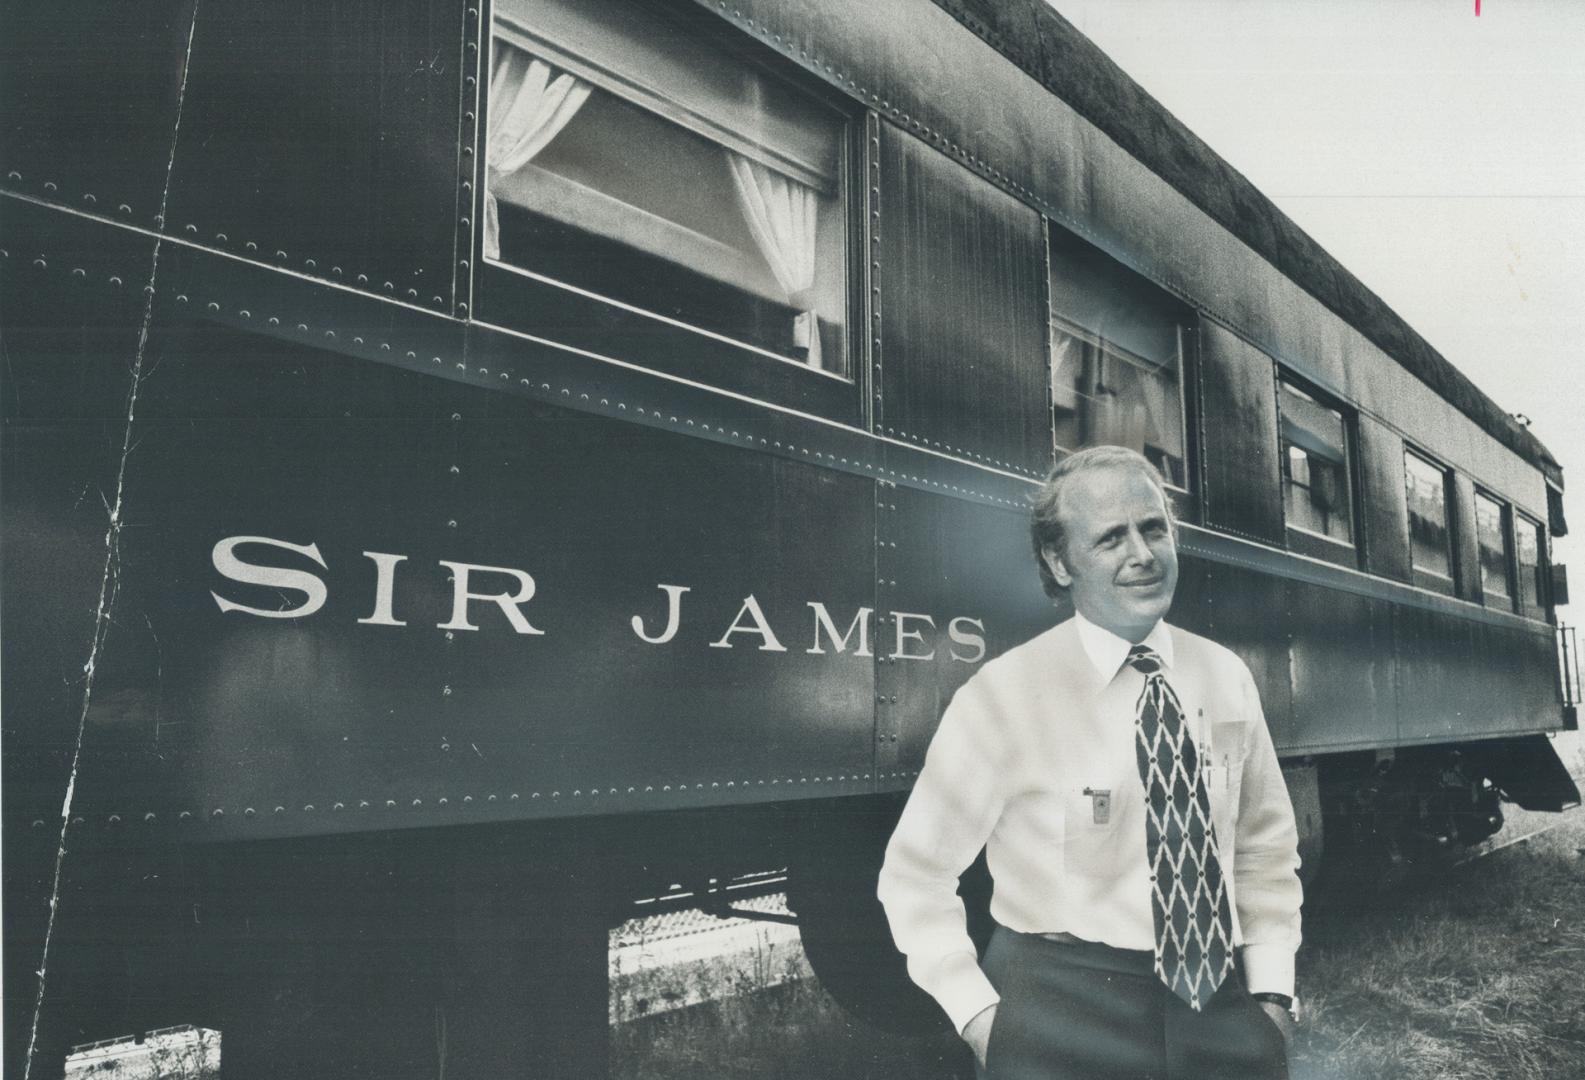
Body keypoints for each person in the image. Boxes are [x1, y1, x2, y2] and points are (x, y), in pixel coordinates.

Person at [877, 445, 1302, 1079]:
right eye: (1110, 539)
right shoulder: (1003, 696)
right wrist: (982, 1021)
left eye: (1154, 528)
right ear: (1059, 559)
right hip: (1058, 1011)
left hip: (1218, 1004)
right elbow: (914, 876)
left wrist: (1271, 996)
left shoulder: (1225, 677)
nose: (1143, 555)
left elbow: (1263, 849)